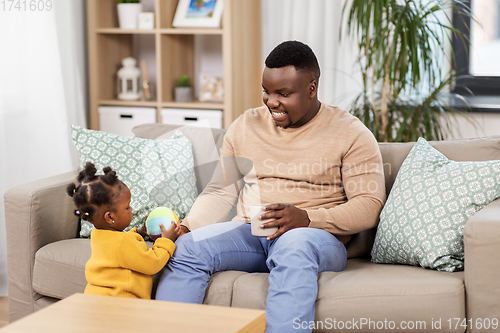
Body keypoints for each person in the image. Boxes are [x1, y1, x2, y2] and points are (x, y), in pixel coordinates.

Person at [156, 40, 386, 332]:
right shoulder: (245, 125)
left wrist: (307, 219)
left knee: (293, 244)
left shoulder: (351, 132)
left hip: (314, 238)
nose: (271, 102)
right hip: (252, 232)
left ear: (312, 88)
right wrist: (187, 228)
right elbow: (220, 190)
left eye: (283, 93)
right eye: (267, 91)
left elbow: (368, 206)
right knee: (188, 249)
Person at [67, 162, 181, 299]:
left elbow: (121, 248)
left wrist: (139, 232)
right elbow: (152, 262)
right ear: (110, 217)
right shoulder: (123, 243)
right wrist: (166, 241)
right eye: (127, 207)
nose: (131, 209)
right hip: (119, 303)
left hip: (97, 297)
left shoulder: (98, 234)